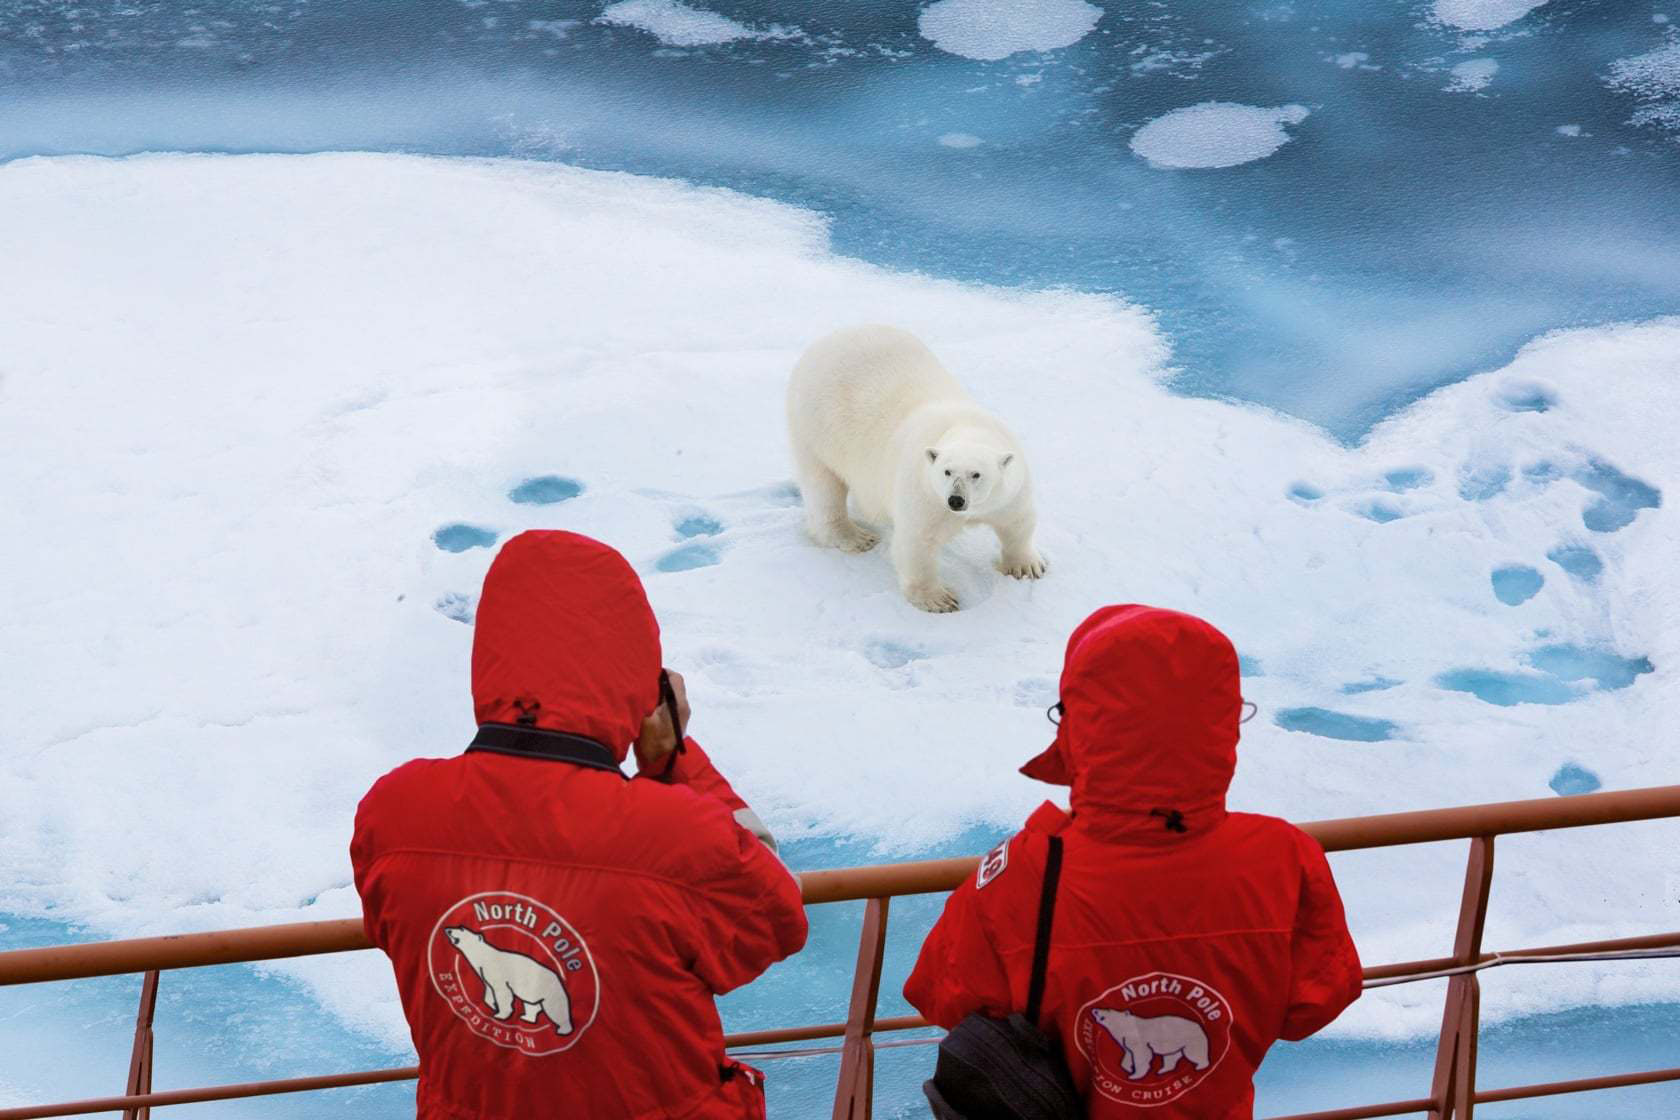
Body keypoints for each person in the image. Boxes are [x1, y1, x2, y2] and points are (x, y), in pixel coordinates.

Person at [351, 530, 807, 1120]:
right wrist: (673, 761)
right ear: (636, 680)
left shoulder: (394, 813)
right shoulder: (677, 837)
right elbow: (777, 916)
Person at [905, 605, 1362, 1118]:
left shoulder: (1019, 874)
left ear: (1081, 726)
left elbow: (943, 998)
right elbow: (1315, 1002)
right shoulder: (1284, 856)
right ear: (1221, 722)